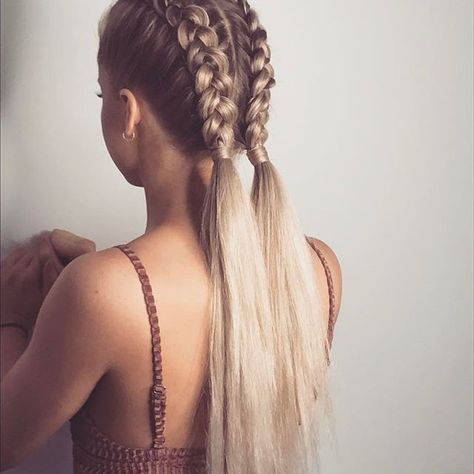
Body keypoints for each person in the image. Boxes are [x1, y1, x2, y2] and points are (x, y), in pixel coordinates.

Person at [0, 0, 342, 472]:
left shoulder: (102, 296)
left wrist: (13, 317)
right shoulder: (318, 271)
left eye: (103, 97)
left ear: (128, 114)